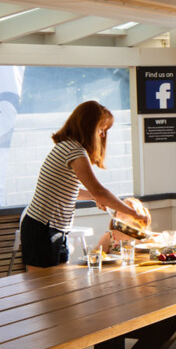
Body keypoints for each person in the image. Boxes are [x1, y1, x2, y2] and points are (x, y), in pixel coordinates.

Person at [22, 100, 148, 268]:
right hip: (44, 228)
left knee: (58, 288)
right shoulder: (74, 151)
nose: (102, 135)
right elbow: (100, 191)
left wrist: (92, 196)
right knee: (46, 288)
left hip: (51, 229)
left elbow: (66, 189)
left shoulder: (66, 147)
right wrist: (133, 213)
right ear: (88, 127)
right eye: (101, 129)